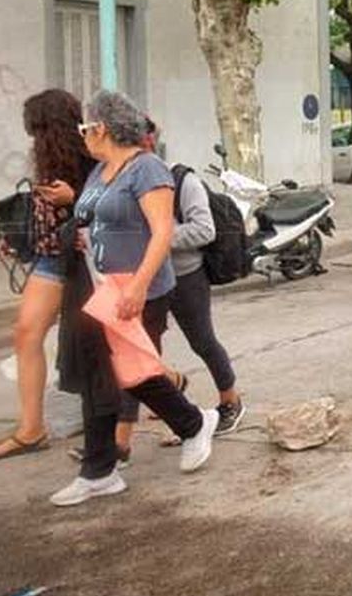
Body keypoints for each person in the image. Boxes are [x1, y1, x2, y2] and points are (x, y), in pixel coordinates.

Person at [51, 90, 217, 507]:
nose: (83, 135)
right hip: (101, 287)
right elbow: (94, 213)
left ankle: (194, 424)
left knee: (134, 374)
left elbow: (162, 231)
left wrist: (139, 287)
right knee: (103, 377)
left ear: (101, 128)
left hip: (139, 290)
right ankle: (99, 470)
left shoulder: (147, 169)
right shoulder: (100, 171)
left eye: (85, 128)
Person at [0, 90, 95, 462]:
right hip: (49, 258)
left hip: (86, 260)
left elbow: (115, 205)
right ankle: (31, 429)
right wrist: (17, 242)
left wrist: (73, 198)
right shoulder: (45, 159)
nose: (33, 139)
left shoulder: (92, 151)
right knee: (26, 333)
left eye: (37, 129)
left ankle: (169, 389)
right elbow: (41, 212)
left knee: (114, 340)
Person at [144, 120, 245, 436]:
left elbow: (205, 229)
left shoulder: (181, 180)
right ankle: (167, 396)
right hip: (148, 277)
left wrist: (158, 238)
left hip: (186, 276)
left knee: (202, 340)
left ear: (147, 143)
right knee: (145, 349)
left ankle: (231, 400)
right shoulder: (127, 182)